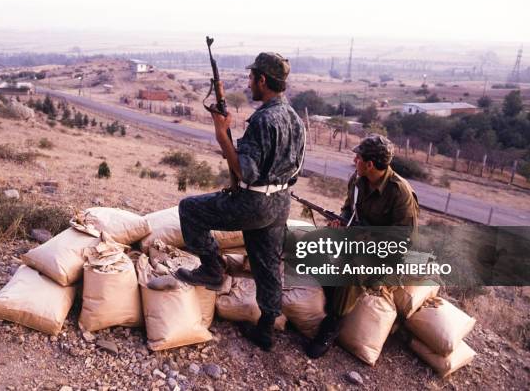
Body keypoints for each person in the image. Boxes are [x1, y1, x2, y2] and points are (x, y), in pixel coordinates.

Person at [175, 52, 306, 351]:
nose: (249, 83)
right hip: (281, 201)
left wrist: (222, 133)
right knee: (268, 264)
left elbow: (244, 170)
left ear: (262, 80)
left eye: (251, 78)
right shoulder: (295, 119)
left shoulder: (263, 119)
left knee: (190, 210)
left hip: (255, 203)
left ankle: (211, 268)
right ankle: (266, 329)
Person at [305, 134, 419, 358]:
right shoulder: (357, 181)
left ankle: (332, 325)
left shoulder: (400, 193)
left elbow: (404, 241)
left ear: (370, 164)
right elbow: (349, 210)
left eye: (358, 157)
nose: (354, 160)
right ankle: (329, 295)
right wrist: (341, 222)